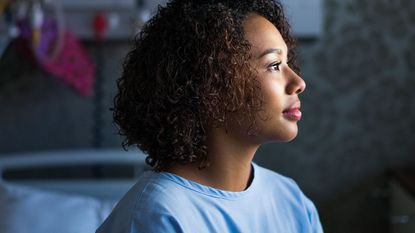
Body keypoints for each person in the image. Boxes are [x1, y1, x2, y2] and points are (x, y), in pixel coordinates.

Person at [97, 0, 323, 232]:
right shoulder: (155, 217)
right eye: (274, 65)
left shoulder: (292, 201)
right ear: (211, 85)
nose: (299, 83)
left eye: (287, 62)